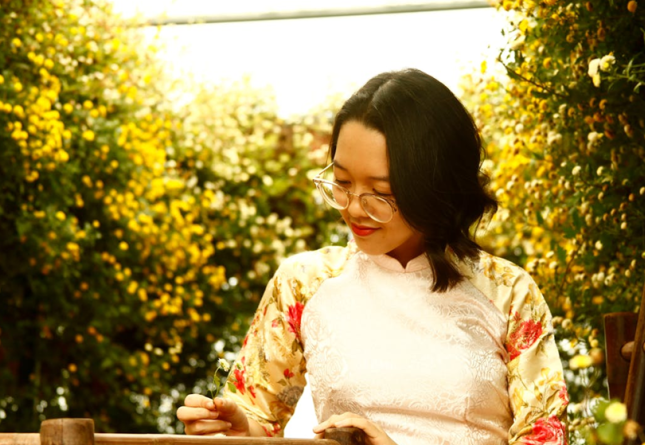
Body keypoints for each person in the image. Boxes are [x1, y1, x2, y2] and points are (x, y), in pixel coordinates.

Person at [176, 69, 568, 445]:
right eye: (343, 183)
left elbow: (544, 436)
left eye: (379, 191)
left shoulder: (508, 293)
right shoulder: (303, 283)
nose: (354, 208)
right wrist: (238, 428)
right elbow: (257, 416)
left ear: (435, 187)